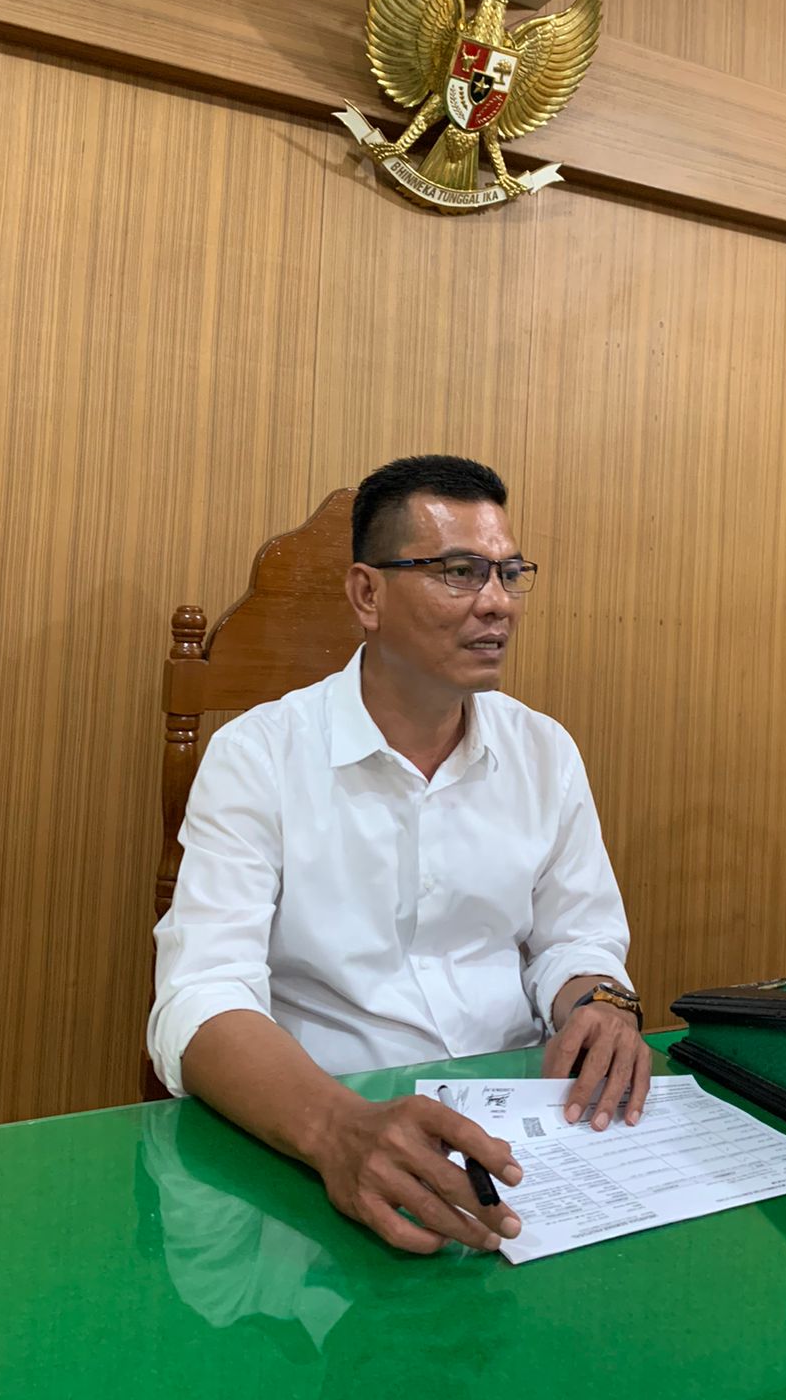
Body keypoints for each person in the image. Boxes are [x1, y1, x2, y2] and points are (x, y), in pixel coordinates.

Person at [148, 454, 650, 1255]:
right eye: (460, 572)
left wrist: (600, 1006)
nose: (497, 602)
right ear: (367, 595)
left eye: (508, 573)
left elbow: (577, 938)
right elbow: (202, 997)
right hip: (324, 1134)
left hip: (523, 1134)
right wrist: (338, 1129)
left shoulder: (544, 751)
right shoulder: (258, 755)